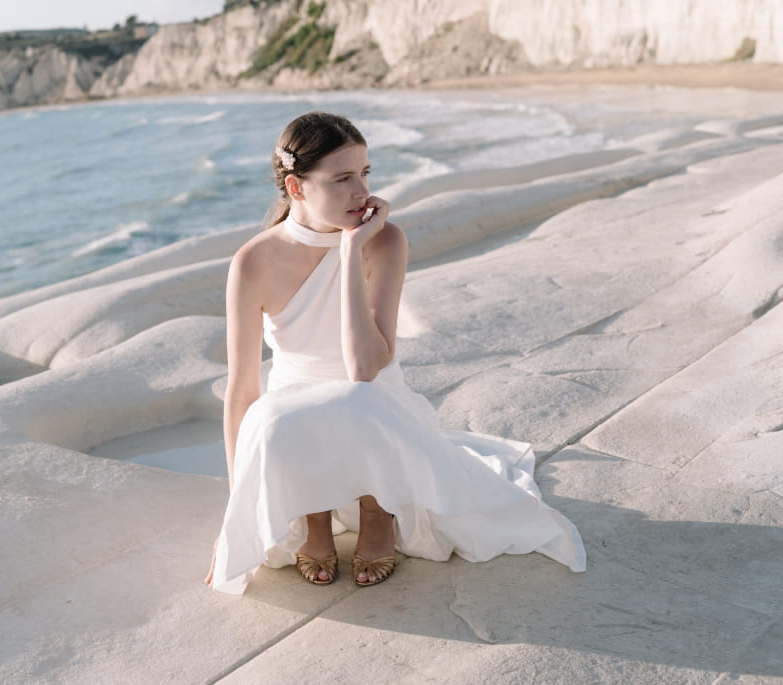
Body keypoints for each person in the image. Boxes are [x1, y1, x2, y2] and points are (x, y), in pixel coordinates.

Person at [206, 111, 585, 594]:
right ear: (297, 188)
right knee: (275, 416)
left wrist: (349, 252)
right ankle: (314, 523)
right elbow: (241, 389)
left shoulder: (384, 241)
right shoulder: (254, 260)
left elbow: (364, 368)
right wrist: (234, 514)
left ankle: (377, 514)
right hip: (292, 405)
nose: (361, 192)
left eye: (365, 174)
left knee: (356, 400)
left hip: (375, 401)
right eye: (342, 178)